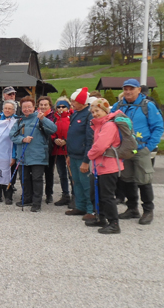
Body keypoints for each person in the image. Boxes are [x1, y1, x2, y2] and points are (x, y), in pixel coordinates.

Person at [111, 79, 163, 225]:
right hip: (124, 150)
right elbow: (108, 119)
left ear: (139, 90)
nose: (128, 91)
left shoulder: (148, 106)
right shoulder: (119, 105)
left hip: (141, 149)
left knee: (144, 180)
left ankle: (148, 210)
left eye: (131, 89)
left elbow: (158, 127)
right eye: (125, 89)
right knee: (127, 179)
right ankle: (132, 208)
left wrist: (149, 147)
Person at [9, 96, 57, 212]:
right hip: (23, 155)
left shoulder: (40, 118)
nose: (27, 109)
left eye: (29, 107)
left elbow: (53, 129)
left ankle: (37, 203)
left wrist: (43, 119)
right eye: (24, 107)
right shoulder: (19, 121)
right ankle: (27, 198)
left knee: (37, 179)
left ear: (33, 107)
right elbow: (12, 135)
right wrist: (23, 139)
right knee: (24, 179)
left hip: (38, 155)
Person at [86, 99, 124, 234]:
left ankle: (114, 223)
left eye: (97, 110)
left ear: (105, 111)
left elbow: (100, 146)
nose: (95, 114)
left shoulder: (109, 126)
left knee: (107, 196)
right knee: (97, 193)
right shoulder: (99, 125)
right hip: (100, 165)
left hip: (109, 166)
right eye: (93, 111)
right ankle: (100, 217)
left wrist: (89, 155)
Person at [65, 87, 95, 220]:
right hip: (73, 155)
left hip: (83, 156)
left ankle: (91, 209)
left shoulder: (88, 115)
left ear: (82, 102)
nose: (72, 104)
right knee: (76, 182)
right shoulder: (76, 113)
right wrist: (69, 155)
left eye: (74, 101)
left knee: (86, 183)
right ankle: (80, 206)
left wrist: (86, 161)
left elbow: (90, 140)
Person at [0, 100, 19, 204]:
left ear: (14, 110)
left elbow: (16, 141)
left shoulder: (16, 120)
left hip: (9, 153)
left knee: (9, 175)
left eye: (9, 108)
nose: (7, 110)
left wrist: (14, 156)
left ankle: (8, 196)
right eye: (5, 108)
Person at [52, 97, 72, 206]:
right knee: (61, 173)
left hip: (69, 149)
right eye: (58, 107)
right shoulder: (54, 118)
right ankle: (65, 194)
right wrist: (54, 139)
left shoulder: (72, 117)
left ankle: (75, 195)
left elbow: (74, 132)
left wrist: (66, 140)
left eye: (63, 106)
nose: (61, 109)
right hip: (58, 148)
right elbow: (51, 130)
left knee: (71, 173)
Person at [37, 96, 57, 204]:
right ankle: (36, 194)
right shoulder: (34, 115)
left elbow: (55, 130)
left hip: (50, 147)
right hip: (38, 148)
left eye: (45, 105)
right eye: (41, 105)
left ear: (49, 105)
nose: (43, 107)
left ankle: (49, 194)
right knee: (37, 173)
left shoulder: (53, 116)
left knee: (49, 173)